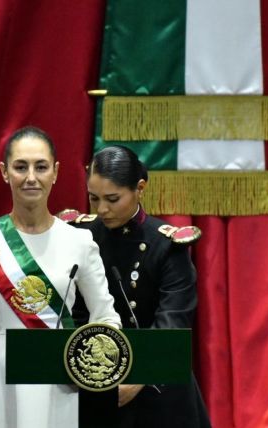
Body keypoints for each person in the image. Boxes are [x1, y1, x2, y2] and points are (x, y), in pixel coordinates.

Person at [0, 126, 121, 428]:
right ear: (4, 172)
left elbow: (106, 317)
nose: (30, 177)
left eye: (41, 167)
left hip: (57, 383)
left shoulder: (79, 242)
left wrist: (90, 365)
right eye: (20, 167)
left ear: (55, 172)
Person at [68, 145, 212, 428]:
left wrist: (137, 378)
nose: (102, 209)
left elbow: (173, 321)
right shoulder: (81, 236)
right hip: (95, 377)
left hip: (156, 382)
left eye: (113, 199)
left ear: (140, 189)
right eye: (94, 198)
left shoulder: (166, 245)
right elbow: (74, 312)